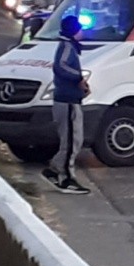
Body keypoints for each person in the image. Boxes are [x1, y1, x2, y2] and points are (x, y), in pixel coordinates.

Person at [41, 16, 91, 194]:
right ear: (73, 31)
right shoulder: (67, 47)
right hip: (67, 102)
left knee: (73, 140)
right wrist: (78, 78)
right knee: (71, 142)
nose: (82, 32)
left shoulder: (69, 47)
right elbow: (60, 67)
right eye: (80, 29)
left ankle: (55, 170)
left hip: (70, 99)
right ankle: (67, 178)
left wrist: (81, 87)